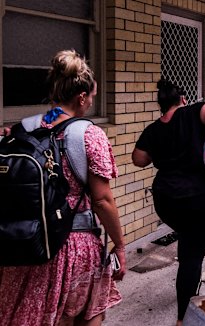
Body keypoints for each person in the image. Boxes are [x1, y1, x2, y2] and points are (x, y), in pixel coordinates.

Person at [0, 49, 126, 326]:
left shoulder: (24, 128)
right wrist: (120, 245)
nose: (92, 102)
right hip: (72, 245)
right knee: (88, 313)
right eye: (92, 97)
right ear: (81, 97)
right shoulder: (90, 134)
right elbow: (102, 200)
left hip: (27, 243)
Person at [132, 80, 205, 326]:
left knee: (187, 242)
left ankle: (185, 283)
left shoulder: (154, 129)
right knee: (192, 257)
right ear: (183, 100)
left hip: (166, 201)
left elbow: (138, 159)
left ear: (161, 106)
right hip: (199, 199)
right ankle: (183, 319)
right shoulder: (194, 111)